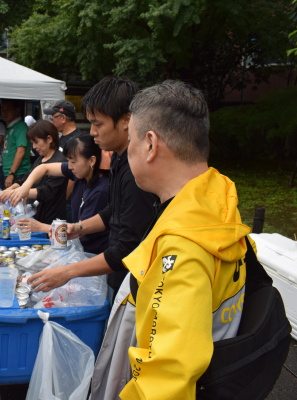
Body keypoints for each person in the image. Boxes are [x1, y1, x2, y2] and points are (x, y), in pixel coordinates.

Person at [90, 80, 251, 399]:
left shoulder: (182, 251)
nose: (127, 150)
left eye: (132, 139)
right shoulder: (217, 193)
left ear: (150, 144)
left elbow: (165, 385)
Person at [28, 76, 157, 296]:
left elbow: (127, 247)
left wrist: (67, 271)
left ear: (126, 120)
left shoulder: (139, 171)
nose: (93, 132)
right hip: (116, 275)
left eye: (98, 124)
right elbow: (113, 212)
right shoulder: (119, 159)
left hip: (135, 285)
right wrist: (78, 228)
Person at [9, 134, 110, 254]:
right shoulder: (81, 174)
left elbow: (81, 231)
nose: (70, 166)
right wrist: (25, 186)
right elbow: (44, 168)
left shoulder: (101, 191)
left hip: (93, 254)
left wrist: (42, 227)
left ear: (91, 160)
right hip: (79, 248)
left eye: (73, 161)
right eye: (68, 161)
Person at [0, 120, 67, 224]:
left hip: (51, 220)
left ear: (49, 139)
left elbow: (46, 192)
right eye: (32, 143)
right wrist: (11, 189)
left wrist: (15, 193)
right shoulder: (40, 159)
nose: (34, 147)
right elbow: (25, 178)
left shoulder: (60, 162)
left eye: (36, 142)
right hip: (36, 216)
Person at [1, 99, 31, 188]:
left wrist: (11, 173)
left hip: (18, 174)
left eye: (8, 110)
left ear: (17, 110)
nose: (4, 113)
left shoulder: (21, 127)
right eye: (3, 110)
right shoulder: (11, 127)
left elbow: (20, 152)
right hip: (10, 173)